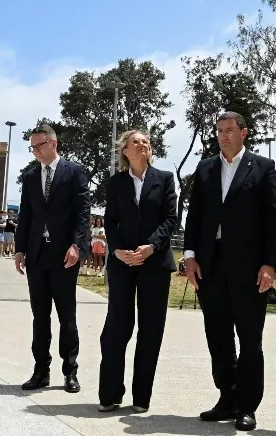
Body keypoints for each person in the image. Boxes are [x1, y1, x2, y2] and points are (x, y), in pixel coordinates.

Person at [182, 111, 276, 432]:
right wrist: (190, 256)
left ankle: (248, 406)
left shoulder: (263, 168)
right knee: (218, 336)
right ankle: (227, 397)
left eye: (230, 130)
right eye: (219, 131)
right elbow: (194, 217)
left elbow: (273, 221)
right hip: (210, 265)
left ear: (244, 133)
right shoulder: (206, 168)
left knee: (250, 339)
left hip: (250, 268)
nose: (224, 136)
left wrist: (270, 263)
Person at [97, 130, 178, 413]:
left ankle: (141, 397)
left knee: (151, 329)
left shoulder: (165, 179)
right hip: (123, 263)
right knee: (117, 327)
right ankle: (110, 394)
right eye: (136, 142)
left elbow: (171, 219)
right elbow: (111, 220)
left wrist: (151, 247)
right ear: (125, 151)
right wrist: (117, 250)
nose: (142, 145)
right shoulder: (117, 183)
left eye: (146, 142)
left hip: (154, 263)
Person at [14, 124, 91, 393]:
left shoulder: (75, 172)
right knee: (40, 316)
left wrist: (76, 246)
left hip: (64, 256)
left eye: (39, 145)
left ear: (53, 143)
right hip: (37, 255)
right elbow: (25, 215)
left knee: (66, 315)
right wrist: (20, 248)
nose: (35, 151)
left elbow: (83, 212)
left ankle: (70, 371)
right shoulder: (31, 177)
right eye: (32, 147)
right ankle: (40, 371)